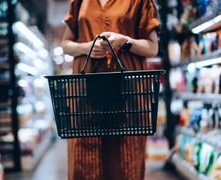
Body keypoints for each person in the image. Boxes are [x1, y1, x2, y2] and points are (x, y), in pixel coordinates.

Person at [61, 0, 160, 179]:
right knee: (83, 161)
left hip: (128, 94)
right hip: (84, 93)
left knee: (125, 160)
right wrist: (87, 47)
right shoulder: (80, 2)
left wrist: (125, 41)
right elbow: (66, 44)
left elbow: (152, 47)